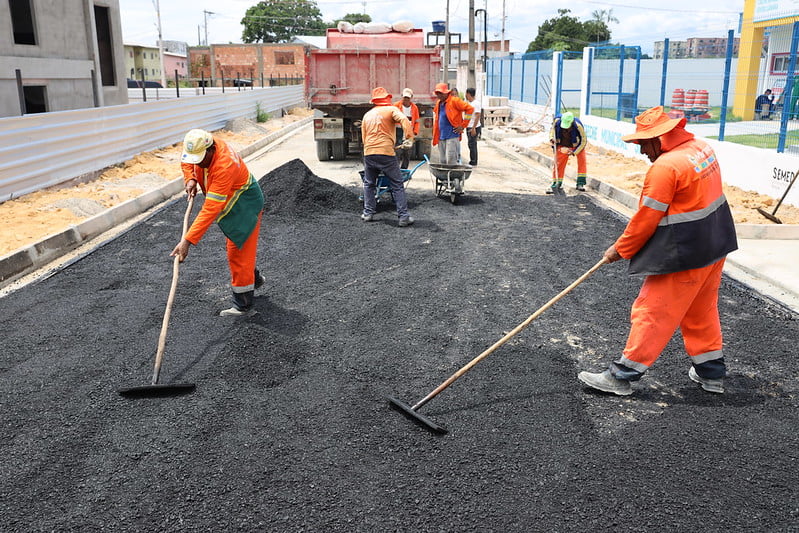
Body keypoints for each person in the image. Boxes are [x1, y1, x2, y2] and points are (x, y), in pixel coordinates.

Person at [577, 106, 738, 396]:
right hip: (716, 242)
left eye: (643, 143)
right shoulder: (702, 148)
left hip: (686, 253)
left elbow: (645, 220)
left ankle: (621, 376)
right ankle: (711, 375)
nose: (641, 151)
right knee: (701, 311)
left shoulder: (665, 168)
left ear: (661, 138)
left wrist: (620, 249)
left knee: (652, 311)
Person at [171, 129, 265, 317]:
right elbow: (188, 160)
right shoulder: (199, 146)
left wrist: (187, 241)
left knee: (237, 251)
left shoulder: (224, 165)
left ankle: (243, 306)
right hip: (230, 203)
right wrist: (190, 178)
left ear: (211, 149)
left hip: (244, 205)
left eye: (199, 159)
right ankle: (254, 279)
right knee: (241, 248)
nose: (196, 162)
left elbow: (210, 208)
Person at [360, 86, 415, 227]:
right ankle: (403, 217)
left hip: (369, 153)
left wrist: (371, 150)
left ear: (374, 101)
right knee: (397, 184)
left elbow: (364, 138)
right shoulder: (391, 110)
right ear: (387, 98)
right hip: (386, 153)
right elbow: (404, 120)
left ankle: (368, 213)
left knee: (369, 183)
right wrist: (409, 137)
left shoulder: (367, 115)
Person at [432, 82, 473, 167]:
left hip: (452, 135)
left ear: (446, 93)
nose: (439, 95)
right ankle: (445, 178)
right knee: (442, 161)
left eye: (441, 93)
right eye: (438, 94)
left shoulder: (454, 101)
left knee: (451, 160)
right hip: (441, 136)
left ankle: (451, 177)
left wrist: (463, 125)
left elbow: (470, 109)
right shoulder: (439, 103)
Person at [548, 111, 588, 194]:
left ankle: (580, 183)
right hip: (562, 144)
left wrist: (574, 152)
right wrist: (552, 138)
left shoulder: (578, 126)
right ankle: (556, 183)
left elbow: (583, 141)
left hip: (576, 145)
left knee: (582, 161)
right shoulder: (557, 122)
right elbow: (552, 131)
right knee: (558, 163)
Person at [393, 88, 420, 169]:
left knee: (407, 152)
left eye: (408, 98)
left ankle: (404, 170)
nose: (406, 99)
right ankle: (396, 170)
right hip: (398, 131)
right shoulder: (396, 106)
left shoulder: (414, 108)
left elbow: (417, 121)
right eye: (404, 97)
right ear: (402, 97)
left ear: (411, 97)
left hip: (409, 131)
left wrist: (415, 132)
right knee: (397, 150)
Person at [464, 87, 482, 166]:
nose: (465, 95)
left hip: (473, 127)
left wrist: (474, 128)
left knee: (472, 144)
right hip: (469, 126)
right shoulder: (469, 103)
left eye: (466, 94)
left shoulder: (476, 104)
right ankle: (472, 160)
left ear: (468, 94)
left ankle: (473, 161)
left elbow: (478, 116)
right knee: (470, 144)